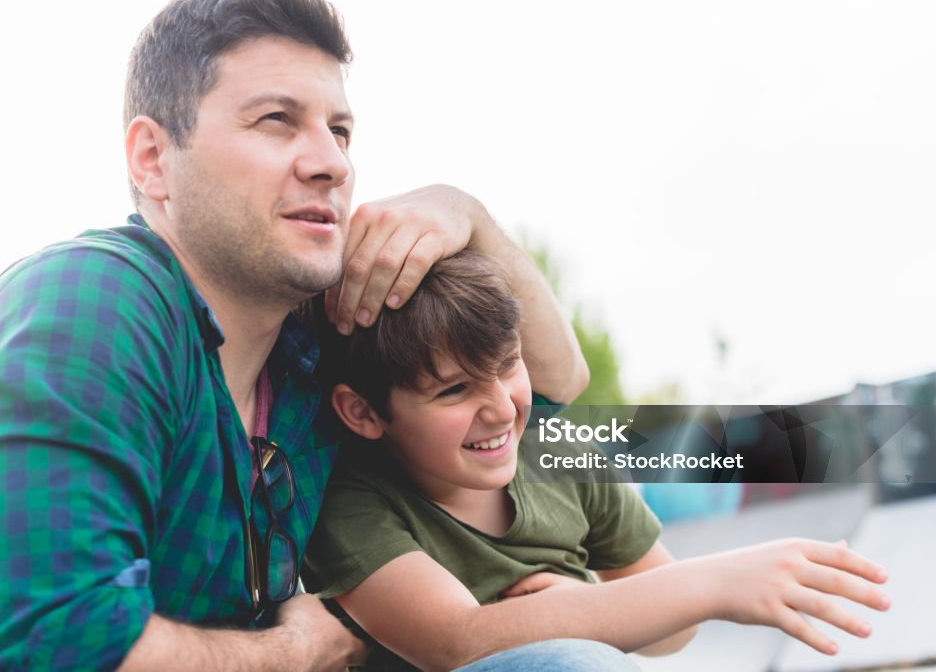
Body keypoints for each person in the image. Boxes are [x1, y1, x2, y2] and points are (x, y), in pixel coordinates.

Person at [0, 0, 547, 670]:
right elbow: (44, 649)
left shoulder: (319, 343)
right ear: (153, 159)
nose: (331, 162)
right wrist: (294, 649)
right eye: (278, 119)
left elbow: (559, 397)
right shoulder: (86, 306)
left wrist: (469, 215)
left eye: (340, 130)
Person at [304, 250, 893, 672]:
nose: (500, 410)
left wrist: (580, 606)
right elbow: (455, 641)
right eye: (453, 391)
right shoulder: (351, 501)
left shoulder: (563, 454)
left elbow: (675, 633)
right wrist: (712, 581)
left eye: (509, 366)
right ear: (363, 412)